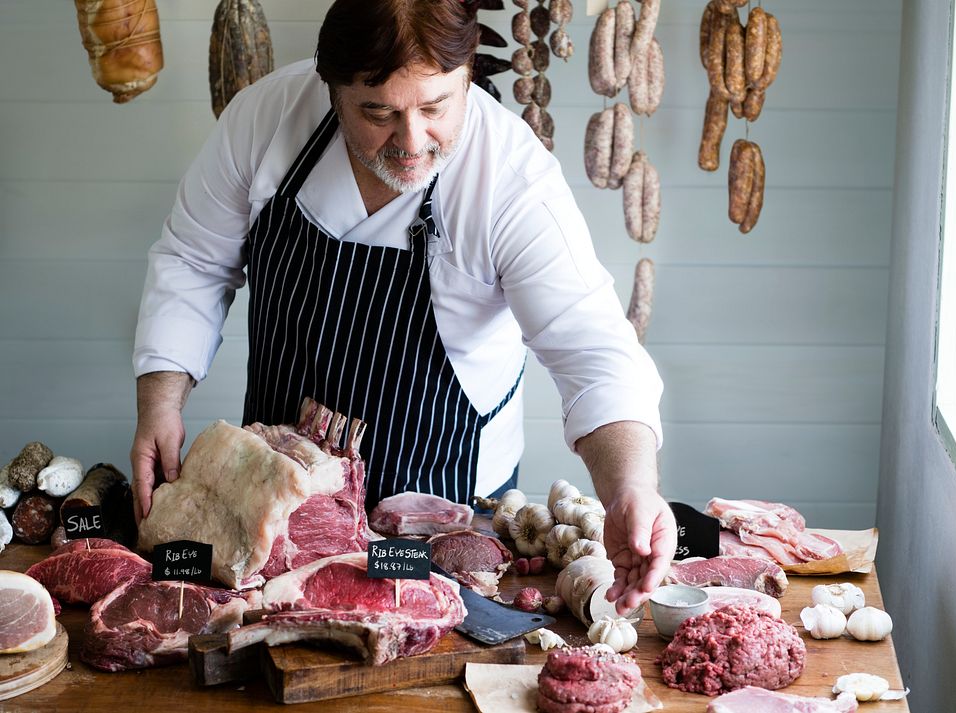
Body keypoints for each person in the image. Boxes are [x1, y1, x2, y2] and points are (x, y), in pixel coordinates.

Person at [130, 0, 676, 613]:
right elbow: (192, 261)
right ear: (330, 86)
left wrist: (631, 485)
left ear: (467, 72)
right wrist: (161, 401)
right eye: (378, 112)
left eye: (437, 107)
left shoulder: (510, 178)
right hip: (277, 508)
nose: (412, 143)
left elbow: (594, 352)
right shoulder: (265, 119)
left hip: (441, 519)